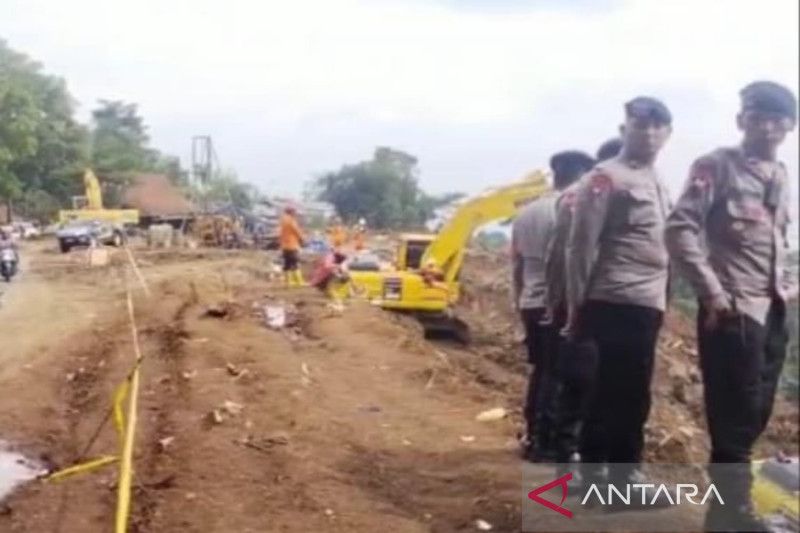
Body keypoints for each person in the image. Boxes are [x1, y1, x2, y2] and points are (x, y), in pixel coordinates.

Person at [665, 81, 797, 531]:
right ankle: (728, 515)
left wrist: (788, 286)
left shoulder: (779, 175)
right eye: (756, 116)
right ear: (742, 120)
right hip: (732, 309)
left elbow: (775, 242)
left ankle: (726, 511)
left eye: (777, 119)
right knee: (734, 417)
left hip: (772, 310)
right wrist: (712, 293)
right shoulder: (715, 167)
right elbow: (679, 229)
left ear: (789, 127)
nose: (766, 126)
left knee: (755, 412)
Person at [566, 97, 672, 491]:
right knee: (622, 395)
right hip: (616, 299)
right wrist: (577, 306)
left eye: (657, 126)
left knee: (620, 391)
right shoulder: (605, 177)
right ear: (623, 128)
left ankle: (602, 478)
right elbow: (581, 246)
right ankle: (619, 481)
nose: (648, 133)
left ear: (668, 134)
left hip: (647, 302)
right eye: (640, 125)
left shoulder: (657, 179)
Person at [512, 150, 594, 462]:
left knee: (542, 370)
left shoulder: (526, 213)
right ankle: (552, 443)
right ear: (582, 175)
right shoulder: (571, 208)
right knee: (561, 375)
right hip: (558, 303)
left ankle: (533, 436)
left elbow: (517, 265)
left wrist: (519, 300)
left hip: (530, 301)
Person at [546, 140, 620, 473]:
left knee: (581, 387)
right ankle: (575, 463)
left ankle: (572, 459)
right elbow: (569, 257)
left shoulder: (573, 197)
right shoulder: (583, 197)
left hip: (583, 306)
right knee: (584, 388)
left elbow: (556, 261)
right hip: (591, 307)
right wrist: (573, 309)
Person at [279, 205, 306, 286]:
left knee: (287, 264)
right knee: (295, 263)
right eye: (294, 212)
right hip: (292, 245)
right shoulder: (291, 221)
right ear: (291, 212)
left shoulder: (283, 221)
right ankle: (299, 282)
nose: (296, 213)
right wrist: (303, 239)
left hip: (284, 246)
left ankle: (288, 283)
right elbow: (297, 232)